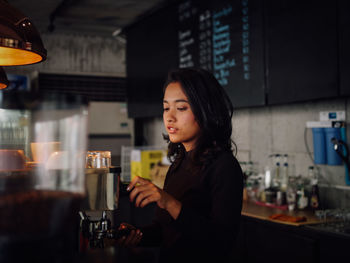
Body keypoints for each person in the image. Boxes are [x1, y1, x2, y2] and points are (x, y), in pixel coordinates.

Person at [118, 68, 243, 263]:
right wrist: (139, 234)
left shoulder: (224, 167)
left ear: (205, 109)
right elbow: (165, 231)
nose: (170, 117)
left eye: (181, 108)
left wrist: (169, 202)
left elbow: (220, 244)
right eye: (166, 108)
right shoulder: (179, 161)